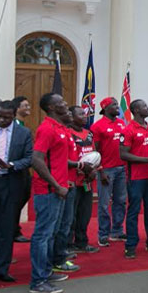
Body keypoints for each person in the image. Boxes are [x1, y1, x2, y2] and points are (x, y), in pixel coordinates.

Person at [29, 93, 72, 293]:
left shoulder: (60, 127)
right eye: (61, 102)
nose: (65, 104)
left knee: (52, 233)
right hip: (48, 191)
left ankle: (46, 271)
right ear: (52, 108)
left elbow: (58, 160)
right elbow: (36, 159)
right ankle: (38, 281)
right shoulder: (46, 129)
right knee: (43, 235)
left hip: (59, 188)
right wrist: (56, 184)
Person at [120, 99, 148, 259]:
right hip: (136, 177)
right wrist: (147, 160)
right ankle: (131, 245)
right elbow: (123, 154)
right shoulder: (128, 130)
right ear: (137, 110)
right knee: (133, 210)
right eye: (145, 106)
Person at [0, 101, 32, 282]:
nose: (1, 120)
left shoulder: (23, 133)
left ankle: (1, 268)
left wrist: (10, 165)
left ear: (13, 115)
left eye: (6, 117)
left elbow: (29, 158)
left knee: (7, 227)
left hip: (10, 183)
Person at [90, 97, 127, 247]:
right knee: (104, 204)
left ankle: (117, 231)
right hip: (107, 169)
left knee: (121, 201)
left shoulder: (121, 123)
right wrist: (100, 170)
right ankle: (103, 234)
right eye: (114, 105)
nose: (117, 107)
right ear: (105, 108)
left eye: (117, 104)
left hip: (121, 168)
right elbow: (95, 150)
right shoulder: (98, 126)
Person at [51, 109, 83, 274]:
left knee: (66, 222)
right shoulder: (56, 132)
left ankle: (60, 254)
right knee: (61, 224)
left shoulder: (66, 133)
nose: (71, 117)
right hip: (63, 183)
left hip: (71, 182)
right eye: (69, 113)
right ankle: (57, 259)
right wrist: (79, 165)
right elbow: (60, 159)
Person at [68, 106, 99, 254]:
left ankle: (82, 242)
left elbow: (94, 154)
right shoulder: (68, 133)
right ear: (71, 117)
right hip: (73, 180)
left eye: (84, 113)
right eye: (80, 114)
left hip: (87, 181)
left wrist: (94, 170)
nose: (84, 116)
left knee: (84, 214)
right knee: (70, 215)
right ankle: (67, 244)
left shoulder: (89, 134)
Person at [11, 96, 32, 243]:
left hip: (23, 168)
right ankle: (13, 231)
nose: (28, 107)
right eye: (25, 105)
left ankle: (15, 229)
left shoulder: (22, 126)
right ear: (17, 108)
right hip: (14, 170)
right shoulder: (14, 126)